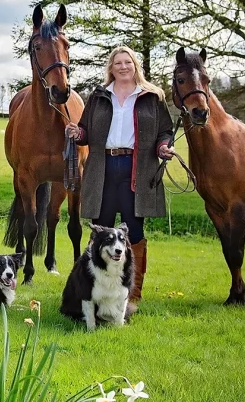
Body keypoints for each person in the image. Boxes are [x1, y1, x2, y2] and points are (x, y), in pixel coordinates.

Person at [65, 46, 174, 302]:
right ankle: (92, 292)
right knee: (99, 232)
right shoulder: (99, 96)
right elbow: (86, 132)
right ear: (111, 68)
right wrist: (77, 134)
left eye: (128, 62)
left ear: (135, 65)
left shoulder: (152, 96)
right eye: (118, 63)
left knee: (133, 233)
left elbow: (165, 131)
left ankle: (131, 296)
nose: (123, 67)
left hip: (136, 170)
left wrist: (163, 147)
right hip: (102, 170)